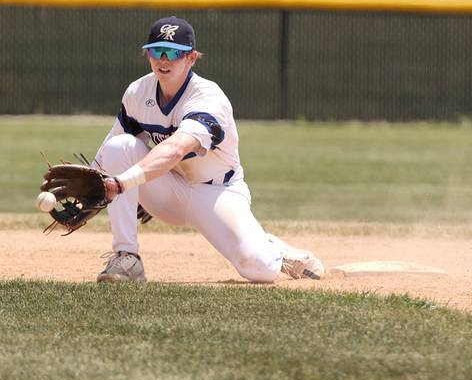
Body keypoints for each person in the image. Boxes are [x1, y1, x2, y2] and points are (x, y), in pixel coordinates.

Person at [92, 16, 324, 283]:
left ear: (191, 58)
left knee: (259, 268)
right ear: (147, 54)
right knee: (119, 146)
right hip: (168, 190)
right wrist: (87, 189)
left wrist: (125, 182)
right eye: (157, 50)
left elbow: (176, 149)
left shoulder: (208, 98)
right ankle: (127, 258)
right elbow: (110, 153)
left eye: (174, 53)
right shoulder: (138, 92)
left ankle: (274, 250)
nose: (164, 60)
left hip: (217, 194)